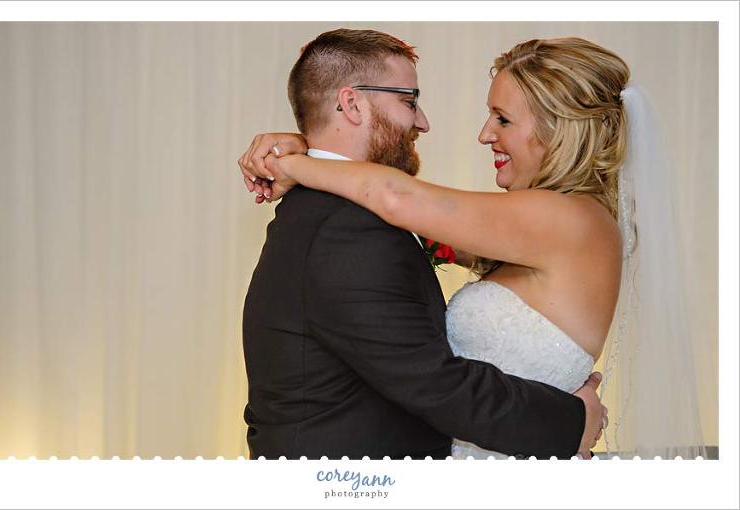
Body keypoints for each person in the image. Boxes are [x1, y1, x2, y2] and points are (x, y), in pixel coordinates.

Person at [240, 29, 605, 460]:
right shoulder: (346, 226)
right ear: (352, 104)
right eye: (409, 101)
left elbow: (401, 198)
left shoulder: (566, 218)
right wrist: (570, 422)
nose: (423, 122)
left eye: (502, 119)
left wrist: (296, 160)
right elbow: (434, 382)